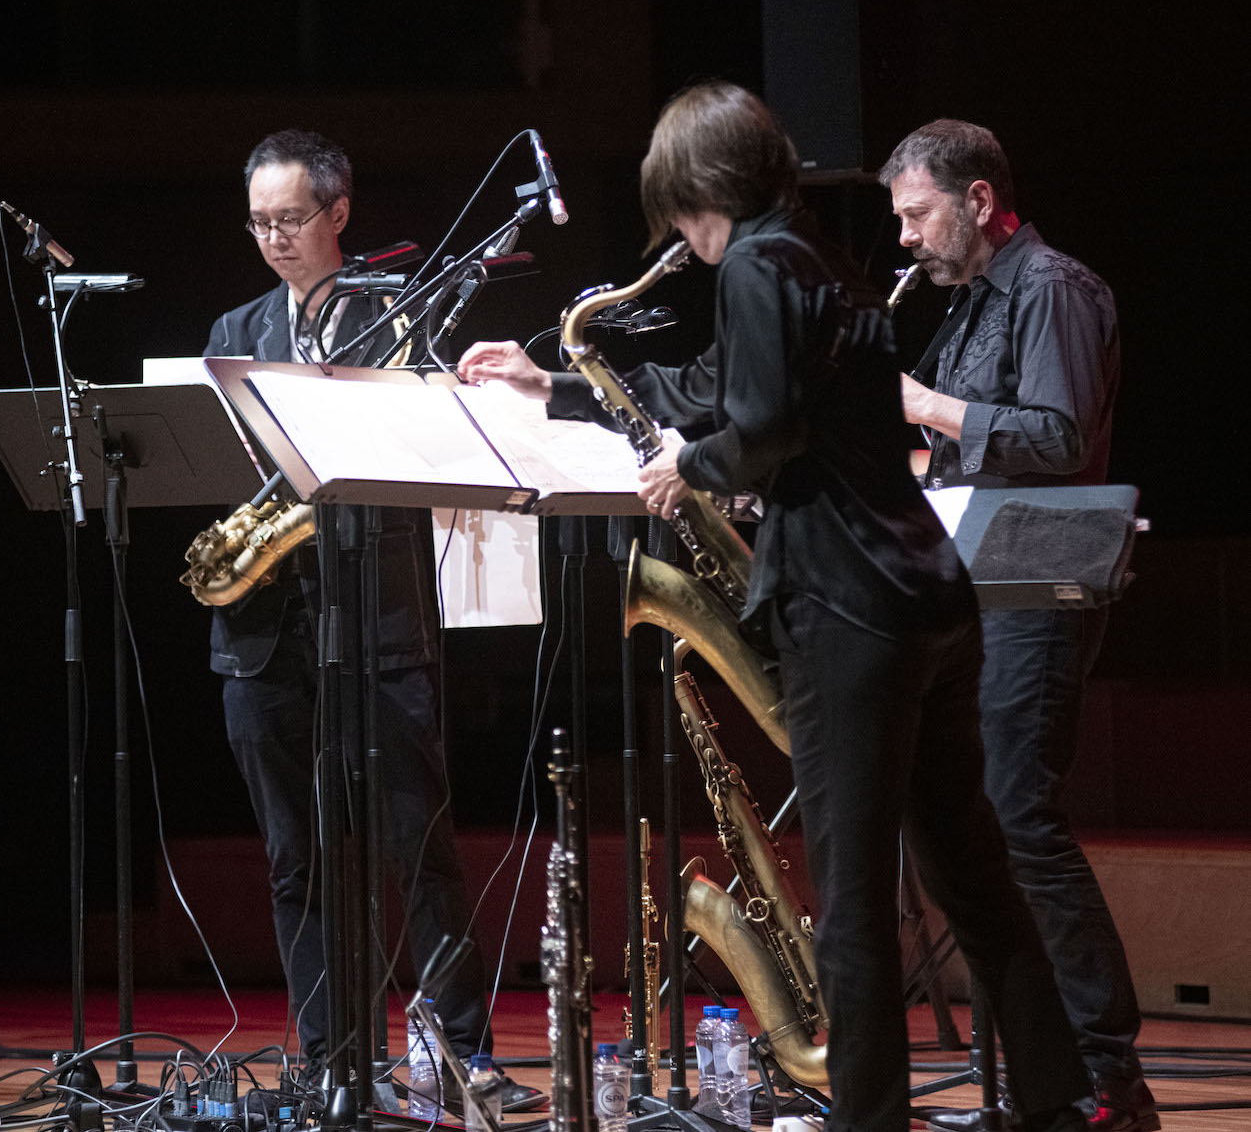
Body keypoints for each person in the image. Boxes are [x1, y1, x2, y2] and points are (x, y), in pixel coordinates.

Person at [458, 83, 1089, 1132]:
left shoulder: (754, 263)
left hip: (849, 608)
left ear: (700, 190)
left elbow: (755, 427)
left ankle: (866, 1119)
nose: (681, 241)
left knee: (851, 902)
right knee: (973, 875)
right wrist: (557, 388)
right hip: (927, 595)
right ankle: (1058, 1102)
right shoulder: (820, 257)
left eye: (679, 216)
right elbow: (717, 382)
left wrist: (688, 469)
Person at [204, 130, 539, 1110]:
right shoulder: (235, 330)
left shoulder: (398, 318)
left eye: (289, 218)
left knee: (417, 844)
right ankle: (329, 1061)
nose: (273, 238)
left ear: (338, 213)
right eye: (258, 222)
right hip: (267, 631)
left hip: (380, 619)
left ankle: (465, 1056)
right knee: (294, 859)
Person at [882, 121, 1148, 1132]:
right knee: (984, 825)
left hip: (1039, 577)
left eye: (916, 214)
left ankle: (1104, 1077)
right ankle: (1031, 1084)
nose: (904, 237)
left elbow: (1056, 434)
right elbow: (958, 455)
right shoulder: (969, 306)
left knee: (1017, 816)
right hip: (979, 580)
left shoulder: (1052, 289)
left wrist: (922, 404)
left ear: (979, 201)